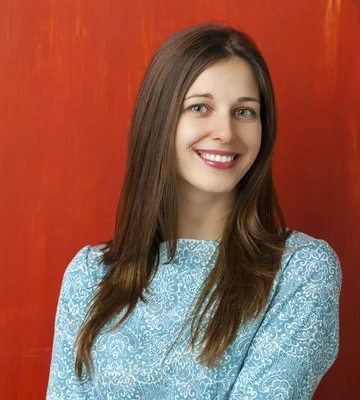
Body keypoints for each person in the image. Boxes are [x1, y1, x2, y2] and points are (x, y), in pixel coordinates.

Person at [46, 23, 342, 400]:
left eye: (245, 112)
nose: (225, 131)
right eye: (200, 107)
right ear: (159, 121)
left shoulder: (300, 271)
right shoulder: (90, 276)